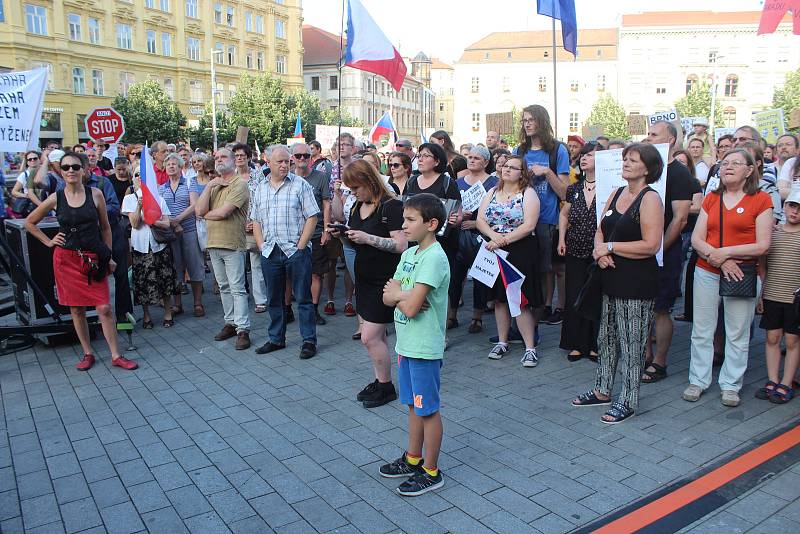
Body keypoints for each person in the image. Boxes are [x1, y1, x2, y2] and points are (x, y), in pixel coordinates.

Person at [571, 143, 664, 423]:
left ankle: (629, 400)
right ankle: (602, 389)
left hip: (636, 281)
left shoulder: (650, 199)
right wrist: (600, 253)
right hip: (609, 277)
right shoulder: (616, 192)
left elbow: (651, 245)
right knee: (606, 337)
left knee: (632, 341)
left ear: (647, 168)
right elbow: (601, 231)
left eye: (632, 160)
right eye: (625, 159)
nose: (625, 163)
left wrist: (609, 247)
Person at [24, 151, 138, 371]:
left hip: (94, 258)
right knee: (76, 310)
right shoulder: (56, 197)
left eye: (75, 167)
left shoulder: (95, 194)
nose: (70, 171)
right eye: (65, 167)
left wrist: (109, 256)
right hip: (66, 259)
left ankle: (116, 355)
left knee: (104, 308)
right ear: (61, 170)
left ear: (84, 169)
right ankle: (87, 353)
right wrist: (49, 241)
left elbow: (105, 227)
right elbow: (30, 222)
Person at [684, 149, 773, 407]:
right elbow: (698, 238)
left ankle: (731, 384)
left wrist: (725, 254)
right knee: (702, 330)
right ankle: (698, 380)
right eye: (725, 163)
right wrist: (718, 257)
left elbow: (763, 245)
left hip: (741, 274)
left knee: (737, 332)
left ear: (750, 170)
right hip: (707, 270)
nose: (728, 167)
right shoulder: (712, 198)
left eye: (736, 163)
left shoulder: (761, 200)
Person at [380, 193, 450, 496]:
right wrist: (402, 296)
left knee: (428, 410)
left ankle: (431, 470)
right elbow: (387, 296)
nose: (403, 225)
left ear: (431, 224)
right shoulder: (409, 255)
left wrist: (401, 296)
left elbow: (407, 307)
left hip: (423, 347)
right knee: (413, 405)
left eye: (410, 220)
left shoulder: (435, 257)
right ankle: (412, 458)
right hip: (406, 345)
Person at [339, 160, 407, 408]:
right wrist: (346, 237)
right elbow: (356, 244)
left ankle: (386, 386)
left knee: (369, 337)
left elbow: (400, 245)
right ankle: (381, 381)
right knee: (376, 337)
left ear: (369, 181)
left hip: (385, 280)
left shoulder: (391, 207)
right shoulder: (358, 206)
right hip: (365, 280)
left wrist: (367, 238)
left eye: (356, 187)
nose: (353, 193)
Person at [641, 121, 697, 384]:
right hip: (640, 252)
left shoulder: (679, 173)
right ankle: (645, 355)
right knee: (643, 306)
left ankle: (659, 362)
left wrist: (659, 247)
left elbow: (680, 219)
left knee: (661, 309)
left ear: (671, 140)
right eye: (648, 134)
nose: (648, 138)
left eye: (654, 135)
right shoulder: (645, 172)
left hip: (665, 252)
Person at [251, 145, 320, 360]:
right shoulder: (260, 187)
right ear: (267, 161)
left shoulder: (300, 185)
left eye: (287, 162)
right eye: (280, 161)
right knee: (274, 299)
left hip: (295, 251)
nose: (284, 165)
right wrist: (261, 245)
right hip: (270, 251)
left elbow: (312, 217)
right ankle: (276, 339)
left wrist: (301, 246)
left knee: (303, 298)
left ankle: (308, 340)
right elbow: (256, 219)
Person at [477, 155, 543, 366]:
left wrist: (503, 240)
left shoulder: (528, 193)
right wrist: (493, 237)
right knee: (499, 298)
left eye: (513, 168)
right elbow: (480, 219)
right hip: (494, 249)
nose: (507, 170)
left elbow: (529, 225)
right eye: (505, 166)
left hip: (520, 249)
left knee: (519, 298)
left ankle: (530, 347)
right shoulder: (492, 192)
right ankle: (503, 341)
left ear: (522, 173)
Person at [515, 104, 569, 330]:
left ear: (542, 121)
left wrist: (547, 172)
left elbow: (566, 192)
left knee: (551, 267)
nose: (526, 124)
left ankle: (554, 306)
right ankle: (535, 306)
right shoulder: (520, 151)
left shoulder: (558, 150)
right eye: (524, 120)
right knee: (531, 266)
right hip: (523, 219)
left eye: (530, 119)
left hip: (548, 218)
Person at [196, 148, 251, 349]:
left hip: (232, 243)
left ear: (233, 161)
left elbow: (223, 213)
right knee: (224, 287)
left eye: (223, 157)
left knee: (237, 288)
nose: (219, 160)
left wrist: (205, 214)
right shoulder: (215, 184)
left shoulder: (239, 183)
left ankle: (243, 329)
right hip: (213, 243)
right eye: (216, 157)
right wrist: (210, 184)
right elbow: (198, 210)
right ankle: (230, 323)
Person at [558, 142, 602, 362]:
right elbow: (564, 214)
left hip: (598, 250)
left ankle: (594, 344)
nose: (584, 158)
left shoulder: (609, 187)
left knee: (594, 295)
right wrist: (561, 239)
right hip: (575, 246)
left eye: (590, 155)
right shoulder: (574, 188)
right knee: (574, 294)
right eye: (583, 155)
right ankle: (576, 343)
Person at [447, 146, 498, 334]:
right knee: (454, 276)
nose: (472, 160)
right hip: (457, 235)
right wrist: (458, 216)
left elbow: (498, 211)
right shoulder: (457, 182)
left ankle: (477, 317)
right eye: (469, 157)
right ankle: (451, 315)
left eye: (477, 158)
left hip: (482, 236)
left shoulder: (494, 183)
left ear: (486, 162)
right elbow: (450, 206)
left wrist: (476, 223)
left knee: (480, 278)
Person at [757, 188, 800, 404]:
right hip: (773, 292)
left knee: (792, 339)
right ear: (785, 206)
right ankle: (772, 379)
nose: (795, 211)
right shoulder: (772, 234)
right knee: (772, 337)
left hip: (795, 298)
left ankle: (787, 381)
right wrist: (762, 293)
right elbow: (763, 265)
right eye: (792, 205)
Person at [122, 176, 178, 328]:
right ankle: (147, 316)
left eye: (143, 175)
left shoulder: (158, 199)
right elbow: (134, 223)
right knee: (142, 282)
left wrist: (152, 221)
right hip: (140, 246)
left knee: (165, 279)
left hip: (158, 245)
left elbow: (167, 224)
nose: (140, 178)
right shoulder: (129, 199)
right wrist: (139, 207)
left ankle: (168, 312)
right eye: (136, 175)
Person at [404, 143, 462, 277]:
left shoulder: (447, 183)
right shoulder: (411, 181)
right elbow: (406, 208)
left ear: (436, 161)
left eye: (426, 156)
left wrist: (455, 220)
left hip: (441, 243)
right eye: (419, 156)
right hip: (415, 241)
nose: (420, 159)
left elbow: (458, 215)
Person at [159, 153, 205, 317]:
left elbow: (195, 205)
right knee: (175, 267)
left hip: (189, 229)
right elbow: (160, 210)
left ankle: (197, 302)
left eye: (174, 164)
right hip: (170, 232)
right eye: (168, 164)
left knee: (194, 265)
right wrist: (171, 222)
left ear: (180, 167)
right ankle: (177, 304)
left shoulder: (190, 183)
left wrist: (178, 219)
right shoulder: (162, 188)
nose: (171, 166)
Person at [291, 143, 331, 325]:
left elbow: (326, 203)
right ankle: (288, 310)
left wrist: (326, 230)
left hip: (315, 233)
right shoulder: (288, 177)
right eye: (298, 156)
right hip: (292, 235)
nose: (302, 159)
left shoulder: (320, 177)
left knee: (316, 274)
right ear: (292, 157)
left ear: (311, 157)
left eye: (306, 156)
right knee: (291, 275)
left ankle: (313, 310)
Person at [233, 142, 269, 315]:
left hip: (254, 224)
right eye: (236, 156)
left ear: (248, 157)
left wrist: (255, 222)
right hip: (234, 226)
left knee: (256, 264)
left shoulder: (258, 175)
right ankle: (239, 297)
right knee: (237, 265)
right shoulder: (230, 177)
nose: (239, 158)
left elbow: (263, 199)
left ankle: (260, 300)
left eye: (242, 155)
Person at [325, 134, 357, 322]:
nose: (343, 147)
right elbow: (326, 198)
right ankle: (329, 299)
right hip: (335, 220)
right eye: (340, 144)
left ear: (353, 148)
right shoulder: (330, 167)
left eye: (347, 144)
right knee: (330, 262)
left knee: (350, 264)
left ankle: (348, 300)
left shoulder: (357, 167)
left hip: (351, 221)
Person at [12, 150, 43, 217]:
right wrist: (27, 196)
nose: (32, 160)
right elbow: (14, 192)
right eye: (30, 159)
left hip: (46, 204)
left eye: (35, 158)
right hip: (31, 207)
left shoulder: (45, 172)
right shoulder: (24, 175)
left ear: (39, 159)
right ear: (27, 162)